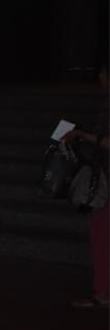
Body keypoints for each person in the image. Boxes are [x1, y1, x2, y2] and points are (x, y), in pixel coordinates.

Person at [61, 62, 109, 309]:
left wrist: (83, 136)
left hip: (106, 183)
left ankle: (103, 293)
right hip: (104, 178)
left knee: (101, 236)